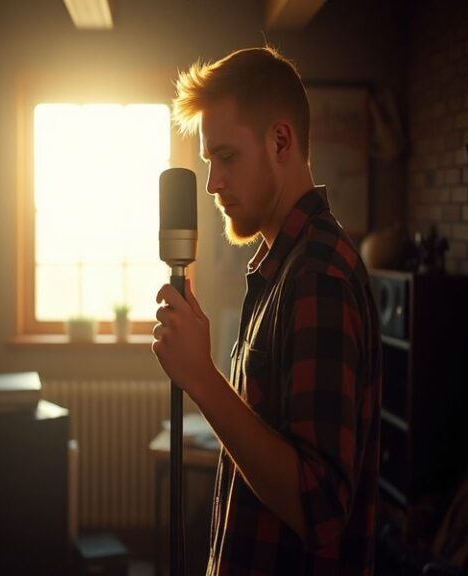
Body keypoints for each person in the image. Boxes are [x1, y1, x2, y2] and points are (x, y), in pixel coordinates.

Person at [152, 46, 382, 575]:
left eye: (226, 157)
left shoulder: (319, 275)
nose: (212, 183)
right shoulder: (285, 266)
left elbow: (319, 507)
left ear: (281, 141)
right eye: (209, 162)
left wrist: (203, 379)